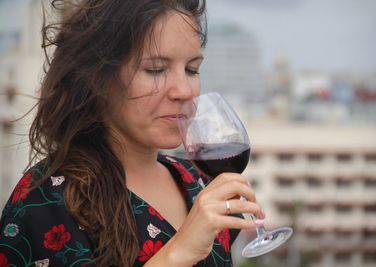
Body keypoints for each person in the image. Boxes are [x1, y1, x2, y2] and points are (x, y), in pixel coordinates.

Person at [0, 0, 265, 266]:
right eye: (155, 70)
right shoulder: (46, 202)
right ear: (97, 78)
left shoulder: (198, 183)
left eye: (192, 69)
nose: (184, 90)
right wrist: (179, 252)